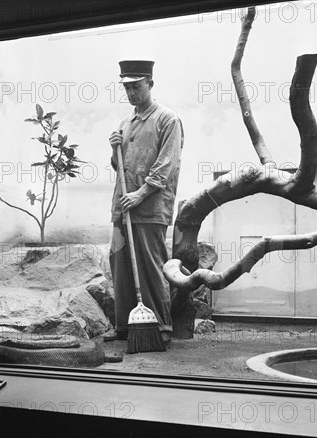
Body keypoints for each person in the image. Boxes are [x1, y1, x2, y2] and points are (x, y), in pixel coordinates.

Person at [105, 60, 184, 344]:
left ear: (150, 83)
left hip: (150, 209)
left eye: (136, 86)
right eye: (127, 87)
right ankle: (126, 327)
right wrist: (115, 148)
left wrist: (140, 195)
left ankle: (160, 327)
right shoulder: (125, 124)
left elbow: (166, 166)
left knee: (151, 267)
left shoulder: (167, 119)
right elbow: (121, 168)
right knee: (121, 264)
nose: (131, 93)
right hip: (122, 207)